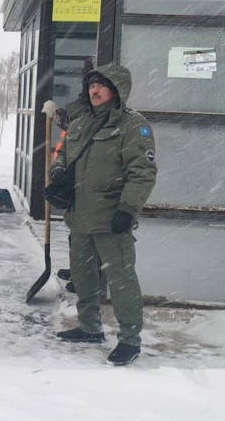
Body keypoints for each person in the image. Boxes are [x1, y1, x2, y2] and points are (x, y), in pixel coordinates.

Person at [48, 63, 157, 367]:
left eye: (102, 85)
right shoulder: (81, 123)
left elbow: (143, 172)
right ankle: (89, 327)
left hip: (111, 217)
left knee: (121, 280)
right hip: (80, 215)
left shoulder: (133, 126)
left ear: (117, 90)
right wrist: (57, 176)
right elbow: (63, 157)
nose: (94, 90)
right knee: (83, 277)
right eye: (91, 85)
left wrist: (127, 208)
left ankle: (130, 339)